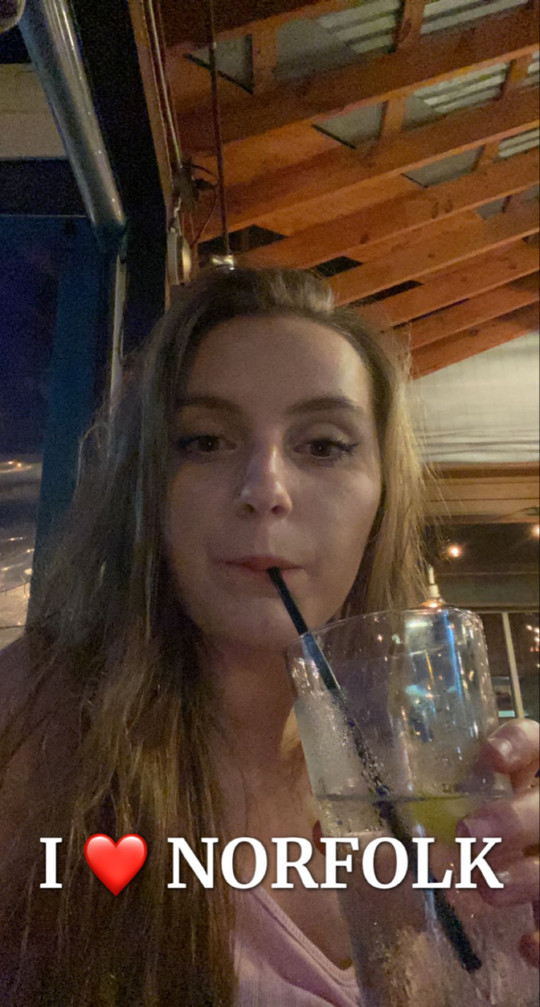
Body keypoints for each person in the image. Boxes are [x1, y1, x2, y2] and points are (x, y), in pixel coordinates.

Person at [0, 266, 538, 1005]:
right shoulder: (32, 724)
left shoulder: (430, 763)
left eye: (323, 445)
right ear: (147, 485)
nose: (264, 489)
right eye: (205, 440)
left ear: (381, 496)